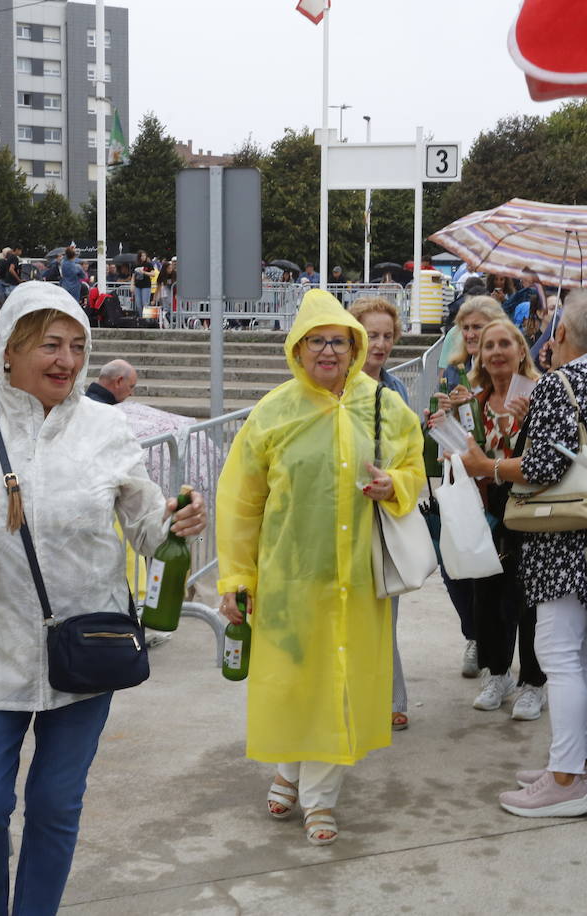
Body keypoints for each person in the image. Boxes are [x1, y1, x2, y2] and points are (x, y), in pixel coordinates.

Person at [0, 282, 206, 913]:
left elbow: (148, 527)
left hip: (87, 649)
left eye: (76, 345)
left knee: (54, 804)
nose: (66, 360)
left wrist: (177, 520)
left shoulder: (107, 429)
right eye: (49, 345)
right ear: (7, 351)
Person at [215, 289, 424, 846]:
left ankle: (320, 799)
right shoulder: (273, 413)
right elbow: (240, 500)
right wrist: (237, 576)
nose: (328, 351)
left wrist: (395, 485)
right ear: (298, 349)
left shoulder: (382, 404)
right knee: (293, 682)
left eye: (339, 340)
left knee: (339, 685)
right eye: (317, 341)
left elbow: (414, 464)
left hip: (356, 580)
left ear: (355, 347)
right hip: (290, 576)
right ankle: (288, 767)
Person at [457, 289, 587, 817]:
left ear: (560, 334)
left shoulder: (562, 382)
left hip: (565, 537)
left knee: (560, 656)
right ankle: (582, 764)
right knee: (580, 655)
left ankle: (564, 780)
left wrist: (484, 466)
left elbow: (540, 468)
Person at [436, 317, 549, 719]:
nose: (497, 352)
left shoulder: (539, 397)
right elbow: (457, 456)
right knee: (489, 596)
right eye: (489, 346)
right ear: (479, 356)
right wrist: (445, 434)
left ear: (522, 351)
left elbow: (548, 458)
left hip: (531, 509)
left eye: (506, 343)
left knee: (530, 598)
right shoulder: (475, 404)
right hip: (487, 510)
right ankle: (497, 672)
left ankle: (534, 682)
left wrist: (533, 418)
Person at [351, 296, 418, 732]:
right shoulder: (333, 386)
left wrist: (394, 482)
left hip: (381, 513)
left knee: (384, 609)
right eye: (372, 335)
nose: (380, 344)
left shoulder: (395, 389)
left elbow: (409, 454)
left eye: (387, 336)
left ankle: (391, 695)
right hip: (341, 513)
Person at [436, 295, 508, 676]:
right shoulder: (453, 370)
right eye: (465, 328)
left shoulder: (507, 368)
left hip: (497, 483)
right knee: (454, 565)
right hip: (462, 481)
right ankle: (475, 636)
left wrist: (477, 406)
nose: (470, 334)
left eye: (477, 327)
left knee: (497, 569)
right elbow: (451, 428)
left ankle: (500, 655)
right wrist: (443, 416)